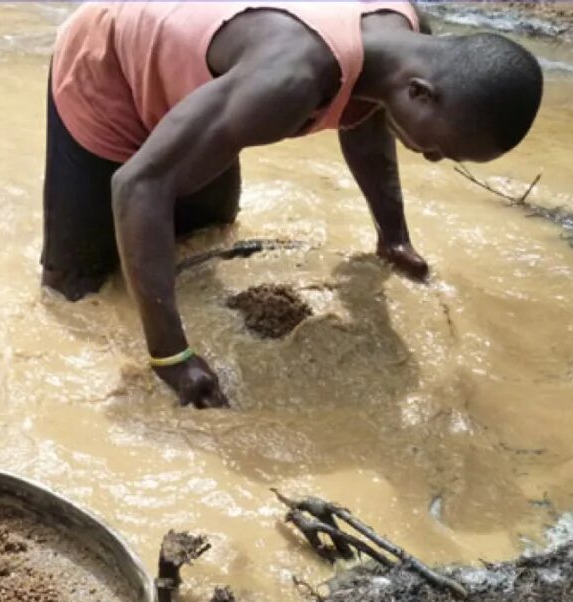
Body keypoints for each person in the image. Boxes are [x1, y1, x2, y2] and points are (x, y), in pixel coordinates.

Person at [42, 2, 543, 408]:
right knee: (77, 288)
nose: (432, 158)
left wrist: (393, 237)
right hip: (109, 61)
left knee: (203, 236)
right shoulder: (289, 81)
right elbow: (137, 185)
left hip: (203, 74)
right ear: (420, 92)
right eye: (440, 149)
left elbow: (365, 126)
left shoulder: (407, 36)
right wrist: (172, 358)